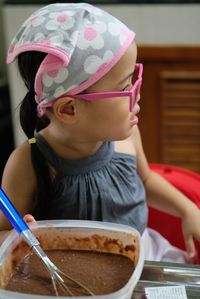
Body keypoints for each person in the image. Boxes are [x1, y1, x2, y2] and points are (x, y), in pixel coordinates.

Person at [0, 3, 200, 262]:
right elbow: (3, 230)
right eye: (125, 87)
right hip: (72, 274)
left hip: (145, 253)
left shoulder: (128, 135)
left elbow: (147, 181)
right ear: (69, 109)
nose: (137, 95)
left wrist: (187, 209)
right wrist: (20, 238)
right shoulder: (28, 163)